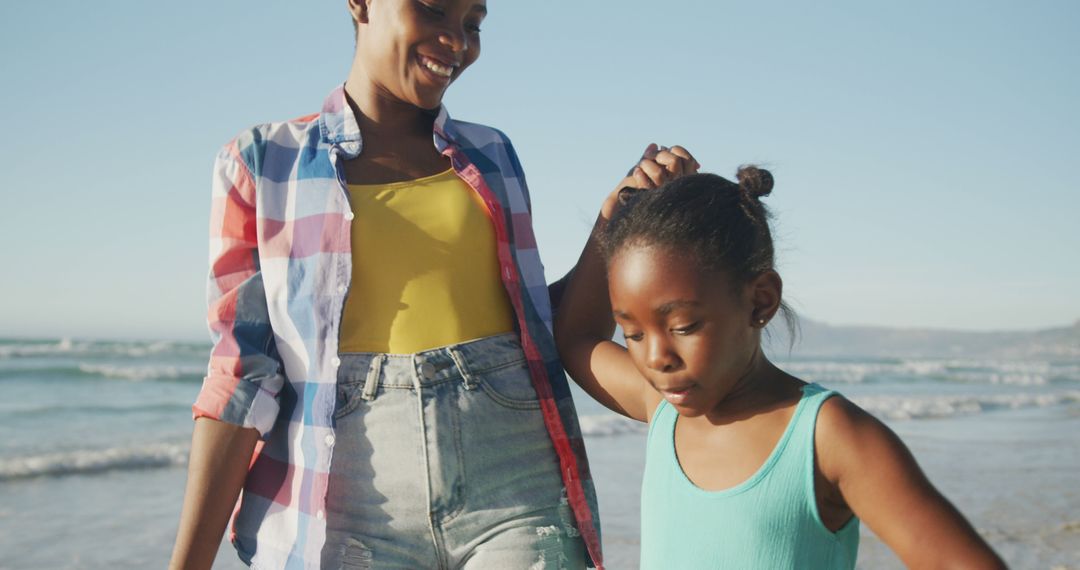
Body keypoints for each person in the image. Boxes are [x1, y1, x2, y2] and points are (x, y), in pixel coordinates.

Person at [166, 1, 674, 567]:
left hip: (515, 482)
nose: (457, 42)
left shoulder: (493, 155)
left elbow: (536, 331)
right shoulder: (263, 163)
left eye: (473, 25)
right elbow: (240, 378)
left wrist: (613, 226)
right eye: (433, 10)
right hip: (346, 506)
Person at [553, 167, 1008, 568]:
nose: (655, 357)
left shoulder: (828, 436)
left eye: (684, 326)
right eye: (632, 333)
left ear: (760, 300)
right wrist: (612, 215)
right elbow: (576, 337)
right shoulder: (662, 409)